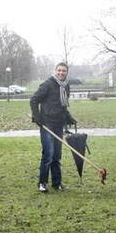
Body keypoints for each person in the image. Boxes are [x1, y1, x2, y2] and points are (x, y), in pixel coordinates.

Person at [29, 61, 76, 192]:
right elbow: (34, 100)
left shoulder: (66, 86)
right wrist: (37, 117)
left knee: (57, 155)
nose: (61, 73)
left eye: (64, 71)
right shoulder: (48, 84)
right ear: (55, 71)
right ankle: (42, 183)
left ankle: (57, 183)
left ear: (67, 73)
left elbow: (63, 105)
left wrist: (68, 117)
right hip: (47, 124)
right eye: (59, 70)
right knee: (48, 154)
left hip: (58, 124)